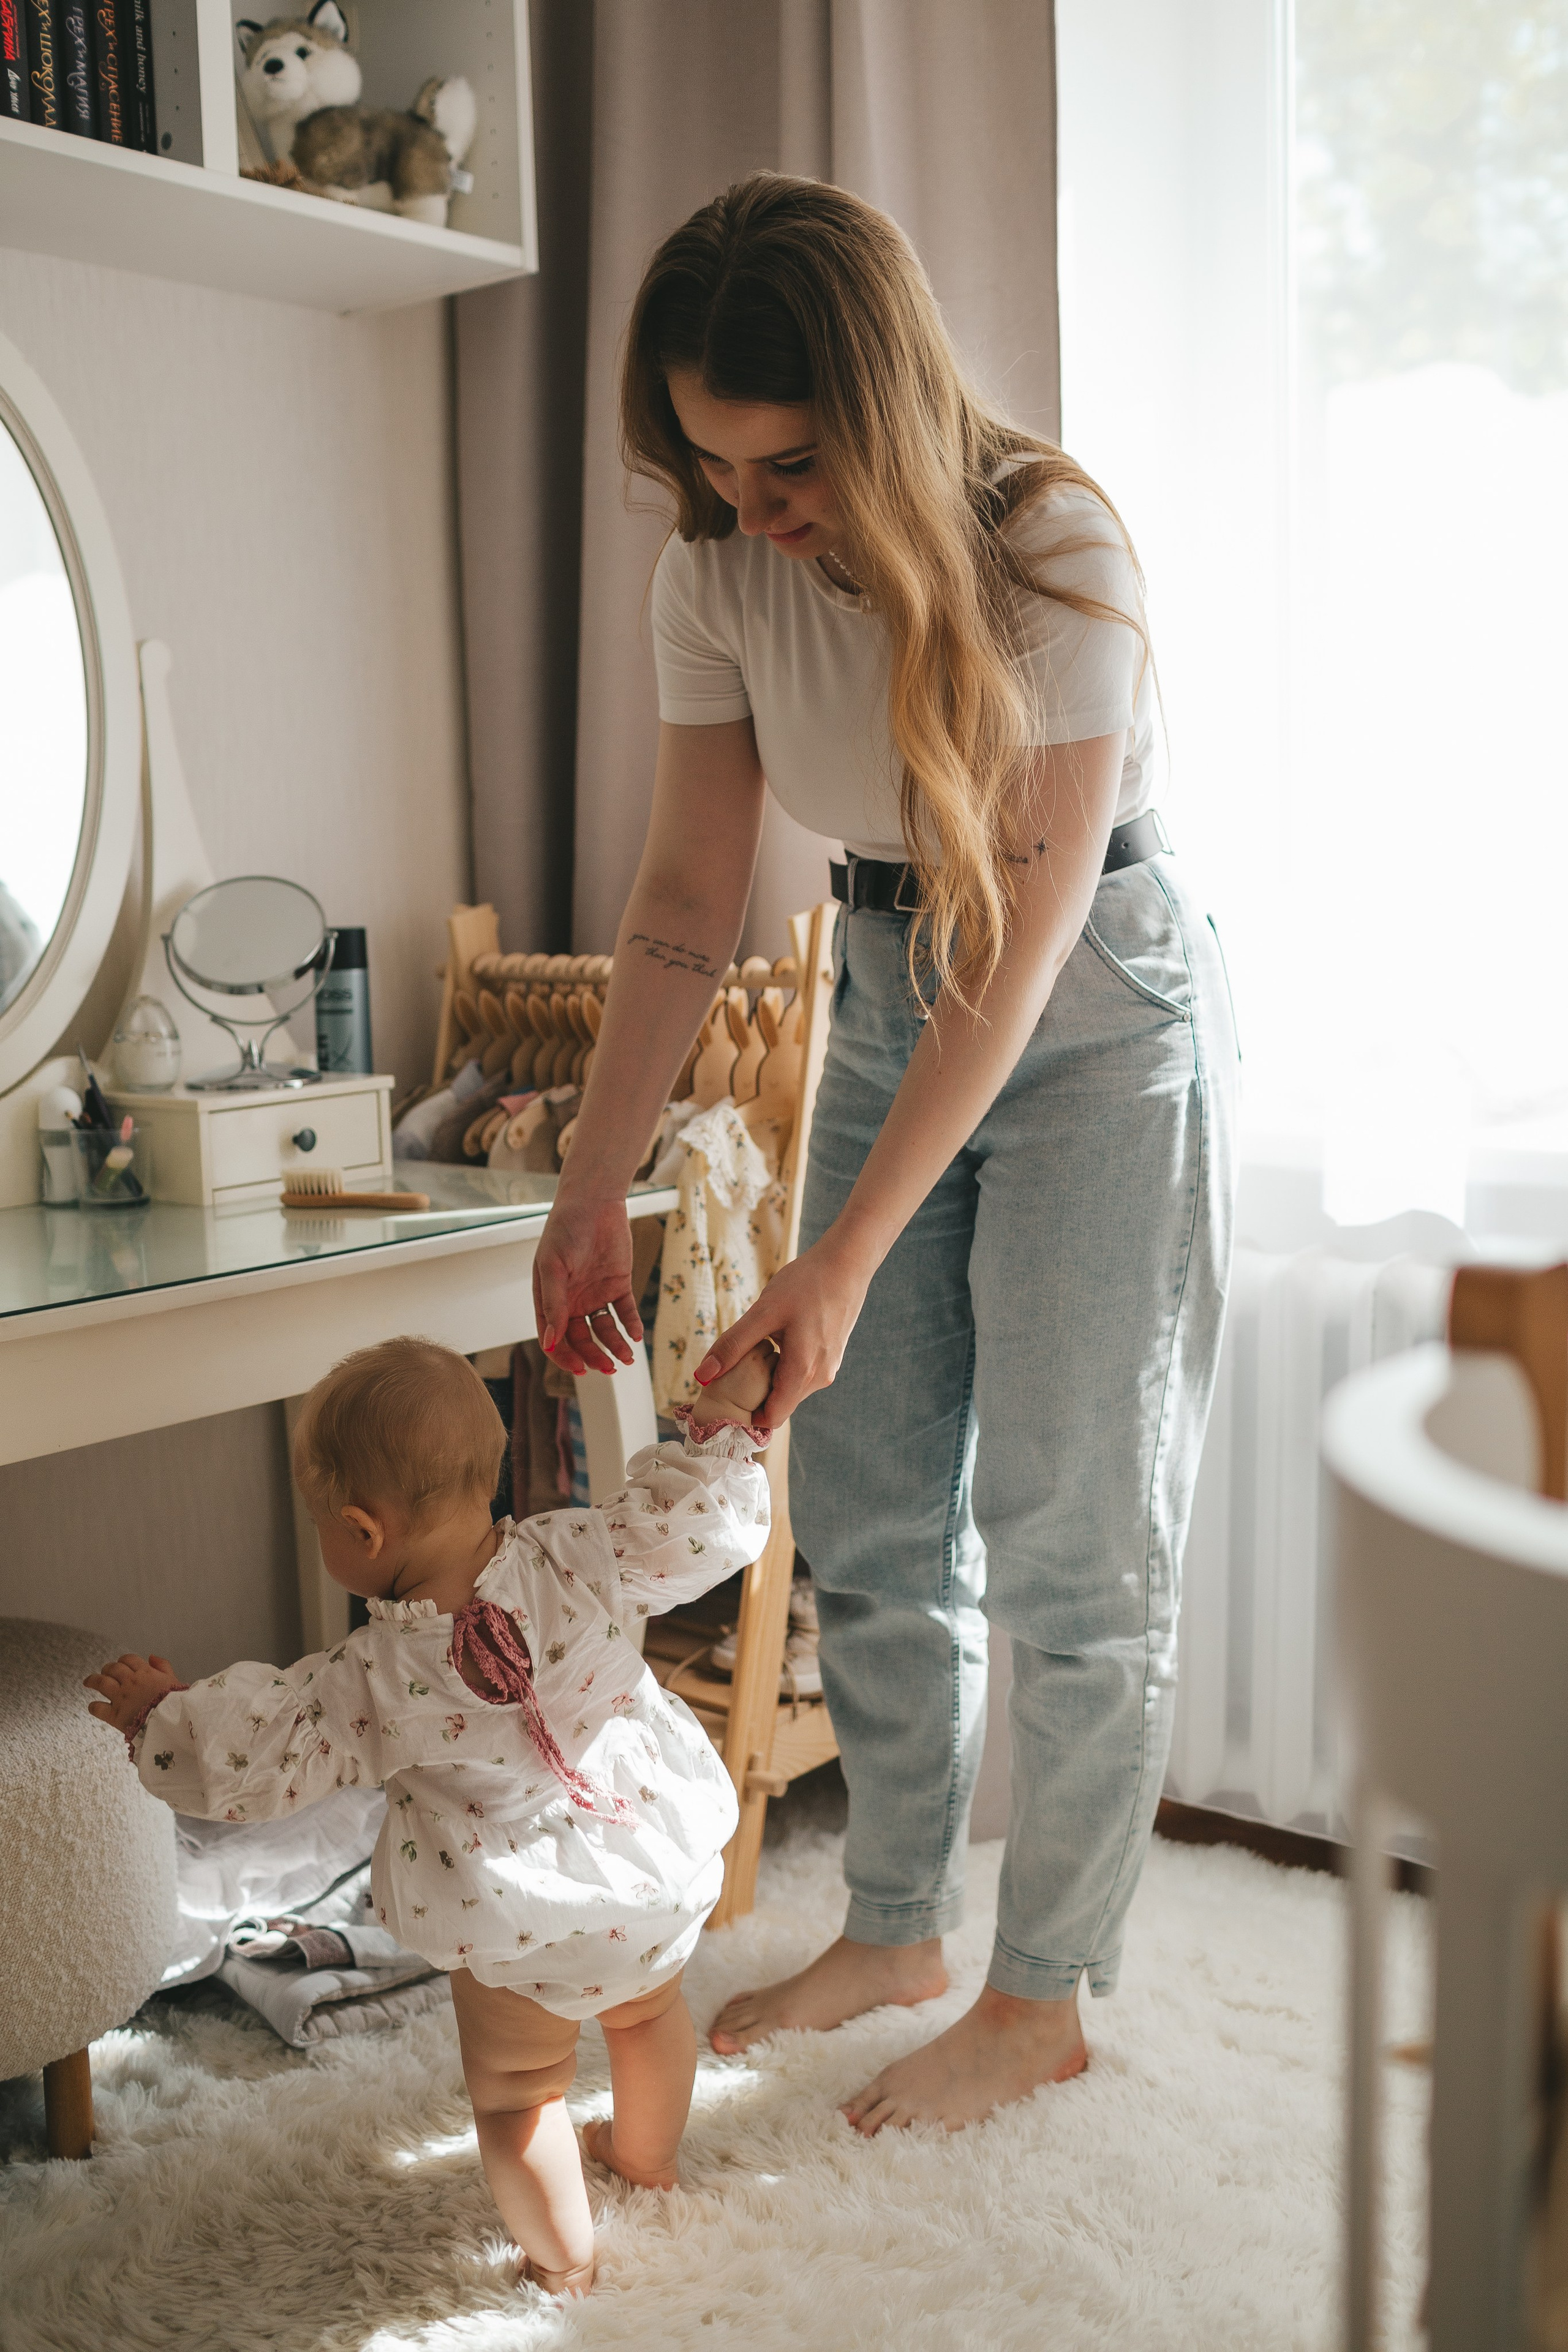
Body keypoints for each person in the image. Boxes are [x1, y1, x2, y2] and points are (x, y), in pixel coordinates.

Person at [533, 173, 1239, 2136]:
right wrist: (600, 1177)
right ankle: (904, 1920)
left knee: (1074, 1538)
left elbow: (1012, 959)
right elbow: (685, 893)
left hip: (1088, 1003)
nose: (750, 510)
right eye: (710, 464)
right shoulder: (720, 569)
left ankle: (1044, 1992)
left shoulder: (1054, 548)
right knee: (863, 1501)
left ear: (892, 406)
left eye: (789, 464)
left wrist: (835, 1256)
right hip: (882, 960)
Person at [85, 1333, 775, 2298]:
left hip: (519, 1913)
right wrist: (726, 1426)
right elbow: (691, 1523)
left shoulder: (371, 1677)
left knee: (518, 2096)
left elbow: (258, 1754)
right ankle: (646, 2161)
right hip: (645, 1861)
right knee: (650, 2014)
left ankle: (563, 2261)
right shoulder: (582, 1548)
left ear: (363, 1534)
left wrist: (160, 1713)